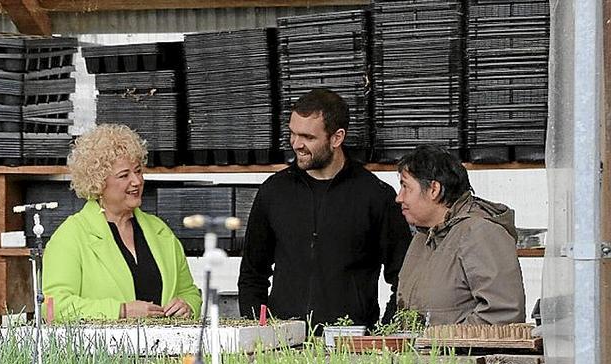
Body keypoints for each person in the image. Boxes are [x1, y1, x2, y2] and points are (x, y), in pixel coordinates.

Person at [238, 88, 411, 330]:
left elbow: (404, 278)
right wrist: (259, 329)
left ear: (337, 138)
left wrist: (383, 334)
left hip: (352, 347)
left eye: (308, 137)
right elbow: (251, 275)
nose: (296, 144)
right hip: (283, 344)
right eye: (293, 134)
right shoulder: (273, 192)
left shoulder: (376, 195)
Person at [42, 124, 202, 320]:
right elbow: (52, 308)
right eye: (124, 175)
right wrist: (120, 311)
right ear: (98, 183)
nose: (137, 181)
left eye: (138, 171)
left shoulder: (160, 230)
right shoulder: (71, 236)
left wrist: (188, 306)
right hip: (101, 350)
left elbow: (190, 292)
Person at [395, 144, 525, 325]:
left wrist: (441, 343)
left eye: (405, 187)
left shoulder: (480, 232)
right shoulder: (423, 236)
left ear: (434, 189)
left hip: (465, 354)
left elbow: (502, 314)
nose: (399, 198)